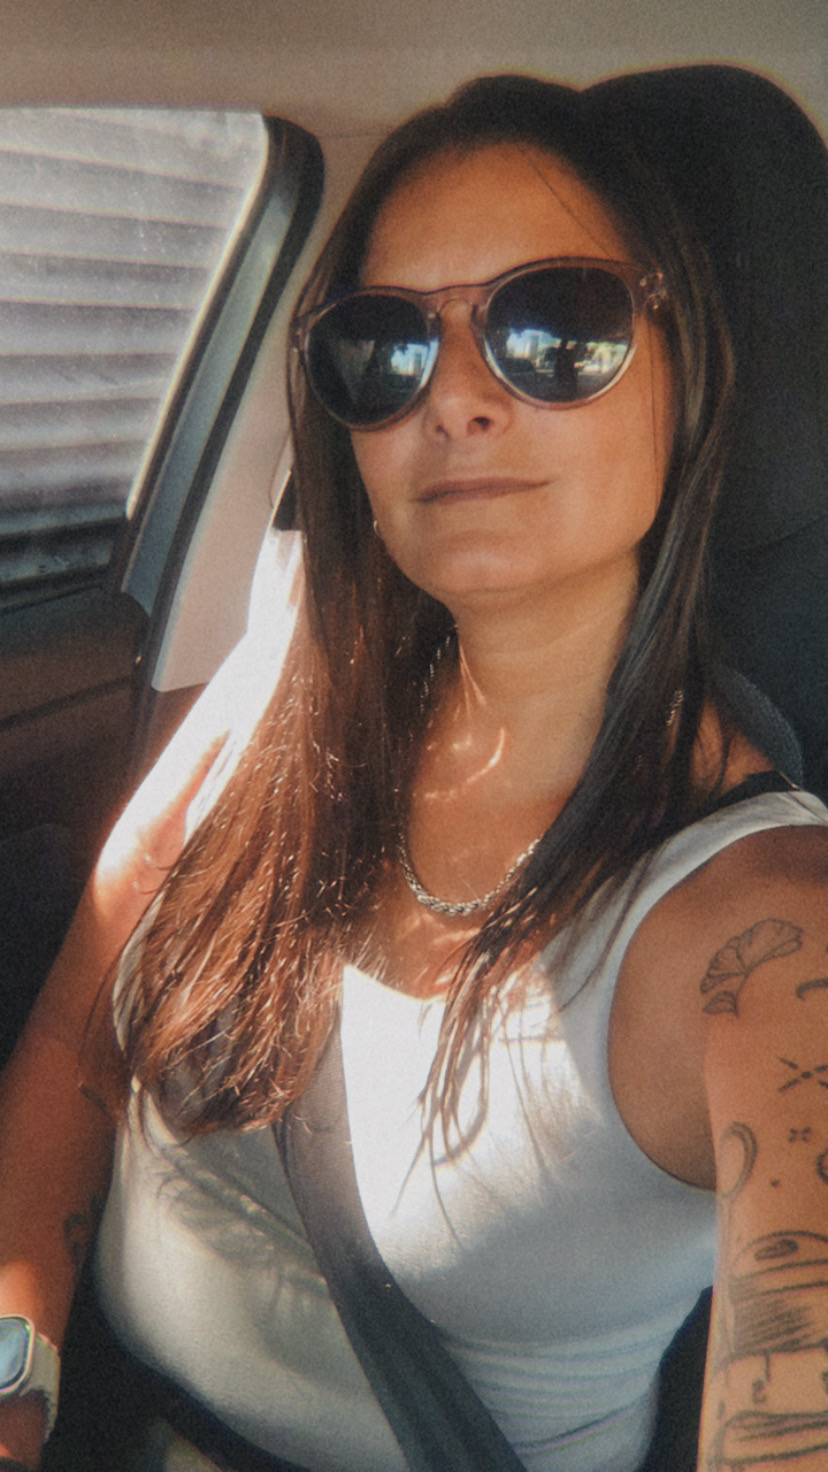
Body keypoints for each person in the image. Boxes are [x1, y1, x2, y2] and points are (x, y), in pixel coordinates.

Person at [2, 69, 828, 1472]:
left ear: (688, 373)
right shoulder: (292, 664)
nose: (455, 400)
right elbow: (79, 1039)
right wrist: (16, 1387)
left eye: (555, 328)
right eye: (384, 348)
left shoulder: (763, 930)